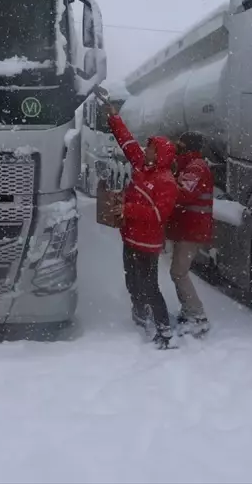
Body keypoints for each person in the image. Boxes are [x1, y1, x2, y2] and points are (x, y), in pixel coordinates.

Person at [99, 93, 178, 349]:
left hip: (147, 245)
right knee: (132, 281)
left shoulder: (166, 181)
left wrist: (127, 207)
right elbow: (127, 142)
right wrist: (114, 117)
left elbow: (157, 214)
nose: (146, 149)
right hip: (130, 238)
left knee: (150, 287)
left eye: (152, 147)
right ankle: (140, 314)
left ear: (161, 153)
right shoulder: (142, 165)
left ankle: (164, 330)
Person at [169, 131, 215, 337]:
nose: (176, 147)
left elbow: (182, 192)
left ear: (188, 146)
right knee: (177, 271)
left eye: (180, 144)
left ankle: (197, 315)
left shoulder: (196, 168)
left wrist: (163, 184)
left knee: (179, 272)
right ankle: (189, 311)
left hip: (192, 229)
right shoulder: (188, 165)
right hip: (188, 228)